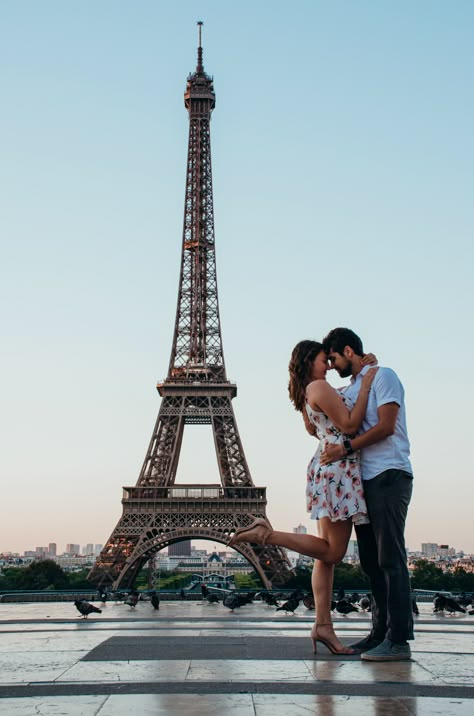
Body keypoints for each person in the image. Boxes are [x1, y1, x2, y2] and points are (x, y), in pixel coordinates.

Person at [229, 339, 377, 655]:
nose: (328, 365)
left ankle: (323, 627)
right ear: (310, 360)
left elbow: (316, 430)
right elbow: (350, 425)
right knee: (334, 552)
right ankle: (266, 535)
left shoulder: (306, 393)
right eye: (324, 359)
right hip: (338, 469)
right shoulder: (319, 387)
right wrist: (366, 385)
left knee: (325, 558)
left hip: (326, 467)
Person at [320, 327, 414, 662]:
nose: (330, 365)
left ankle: (399, 640)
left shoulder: (384, 376)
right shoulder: (353, 387)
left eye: (333, 358)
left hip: (389, 473)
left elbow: (387, 426)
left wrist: (345, 447)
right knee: (372, 564)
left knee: (390, 558)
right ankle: (379, 633)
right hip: (362, 481)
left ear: (348, 350)